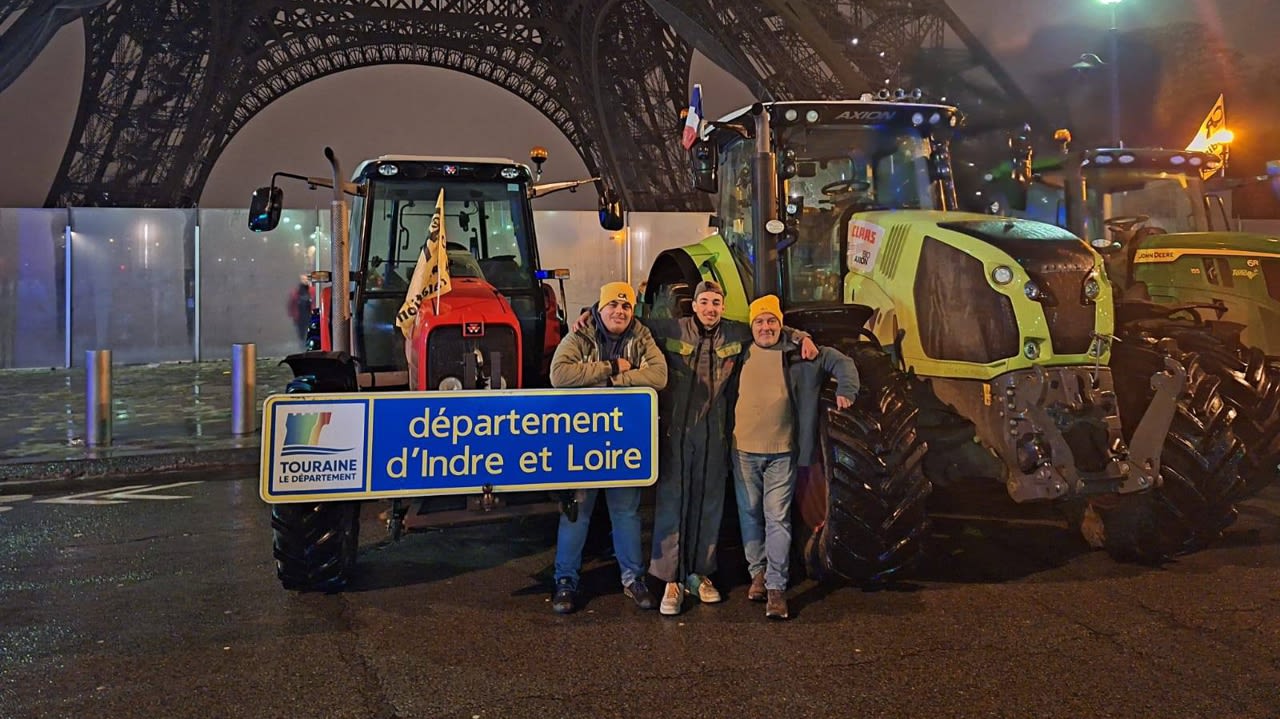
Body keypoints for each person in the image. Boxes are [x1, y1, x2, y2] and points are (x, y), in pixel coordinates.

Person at [642, 280, 816, 616]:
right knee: (674, 504)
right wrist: (590, 316)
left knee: (710, 505)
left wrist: (800, 336)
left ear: (723, 307)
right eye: (704, 302)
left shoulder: (735, 334)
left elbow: (769, 325)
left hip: (715, 433)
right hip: (679, 432)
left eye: (716, 303)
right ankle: (672, 580)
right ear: (693, 305)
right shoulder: (671, 328)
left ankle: (700, 575)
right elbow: (628, 324)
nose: (710, 308)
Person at [731, 294, 858, 620]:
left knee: (777, 518)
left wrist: (846, 390)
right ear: (751, 325)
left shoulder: (802, 354)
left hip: (782, 453)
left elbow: (842, 362)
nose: (765, 327)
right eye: (759, 321)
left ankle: (776, 587)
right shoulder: (740, 352)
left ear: (780, 323)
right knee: (749, 514)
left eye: (771, 321)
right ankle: (757, 572)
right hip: (743, 449)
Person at [548, 281, 668, 614]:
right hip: (583, 443)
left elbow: (658, 375)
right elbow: (559, 374)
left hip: (624, 443)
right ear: (599, 309)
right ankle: (565, 580)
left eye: (626, 306)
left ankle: (633, 579)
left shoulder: (641, 337)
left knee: (626, 513)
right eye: (612, 306)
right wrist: (612, 367)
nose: (619, 312)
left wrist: (615, 382)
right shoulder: (580, 335)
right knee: (577, 513)